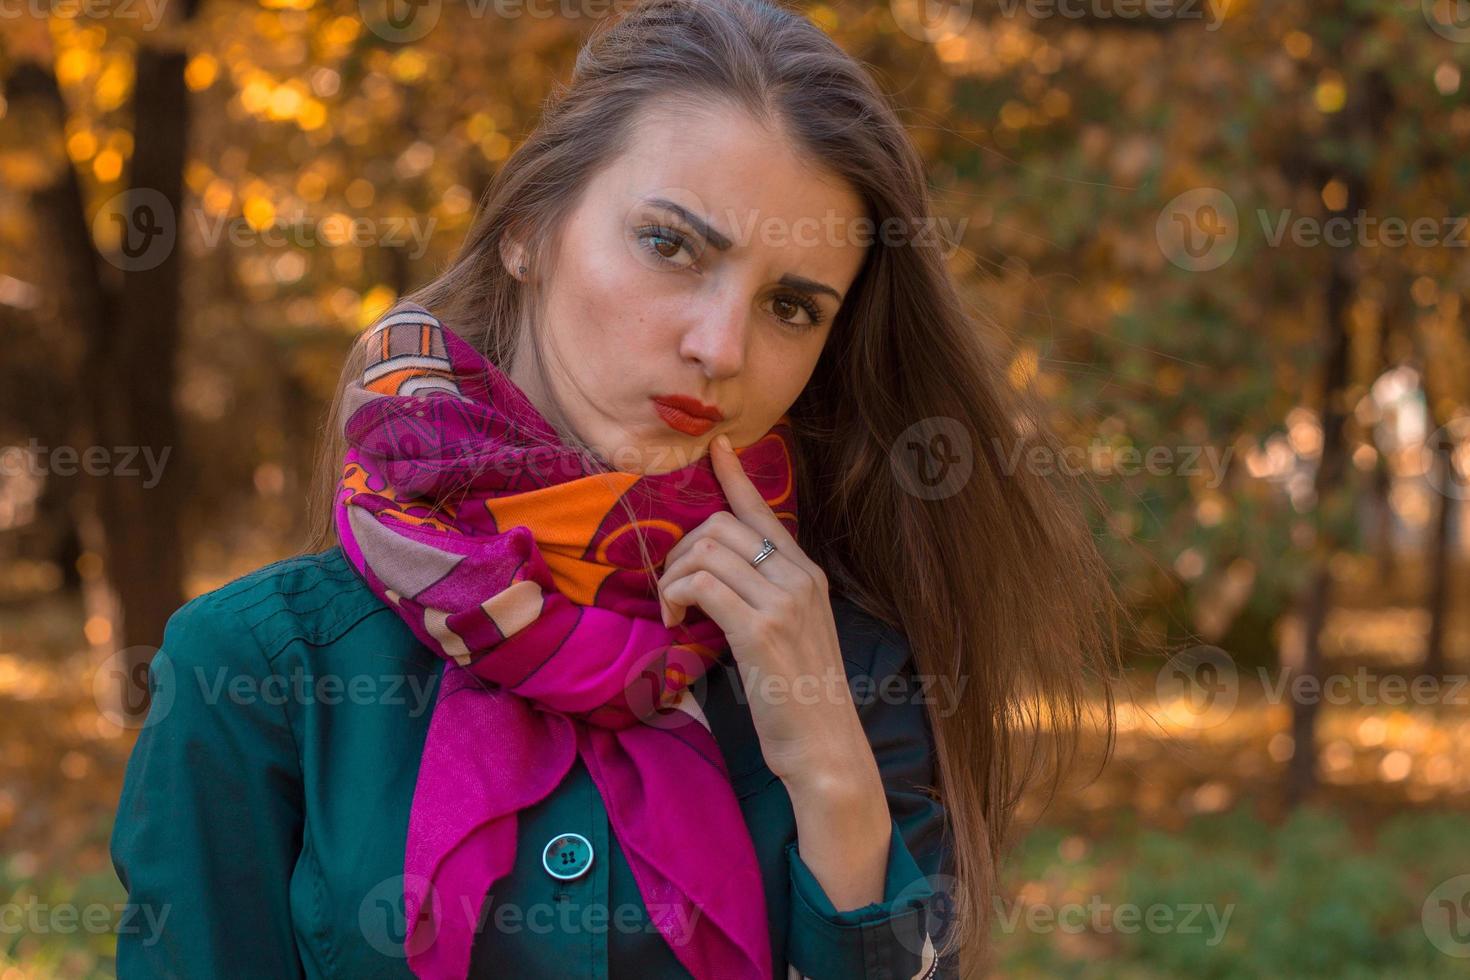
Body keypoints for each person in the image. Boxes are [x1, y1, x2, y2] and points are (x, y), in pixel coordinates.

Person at [110, 0, 1124, 977]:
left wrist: (830, 769)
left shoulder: (852, 666)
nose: (720, 347)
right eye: (671, 245)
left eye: (790, 306)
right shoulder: (253, 671)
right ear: (529, 230)